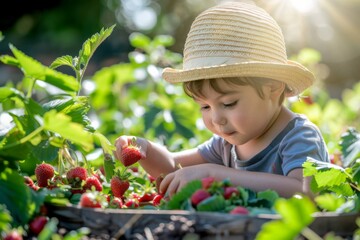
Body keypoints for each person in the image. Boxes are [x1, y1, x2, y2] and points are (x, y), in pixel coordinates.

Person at [114, 1, 329, 198]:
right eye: (204, 106)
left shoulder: (298, 137)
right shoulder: (225, 145)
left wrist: (216, 174)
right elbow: (173, 167)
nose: (216, 118)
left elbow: (304, 191)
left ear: (273, 87)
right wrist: (145, 150)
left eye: (228, 103)